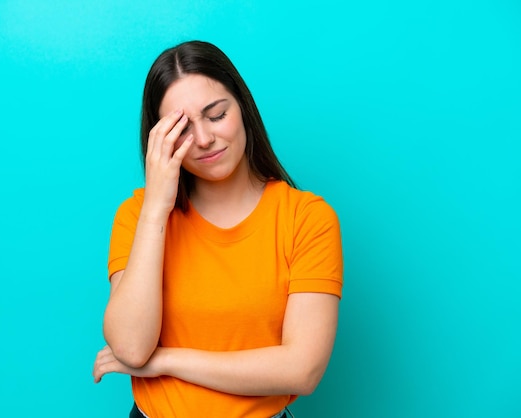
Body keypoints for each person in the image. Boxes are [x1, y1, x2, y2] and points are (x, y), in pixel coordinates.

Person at [92, 40, 343, 418]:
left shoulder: (307, 219)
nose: (205, 139)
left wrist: (166, 362)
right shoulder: (137, 216)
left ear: (242, 107)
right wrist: (157, 207)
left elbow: (302, 371)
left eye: (216, 114)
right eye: (182, 128)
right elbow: (130, 347)